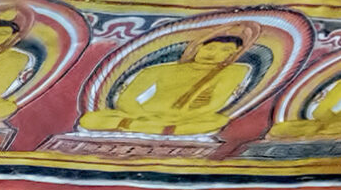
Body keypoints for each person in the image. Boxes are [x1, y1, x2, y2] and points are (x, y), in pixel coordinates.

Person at [79, 31, 255, 138]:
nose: (214, 54)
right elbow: (126, 100)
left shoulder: (234, 71)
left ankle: (153, 129)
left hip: (189, 118)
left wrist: (182, 116)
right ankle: (161, 130)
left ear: (233, 55)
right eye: (210, 48)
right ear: (198, 47)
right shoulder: (158, 70)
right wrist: (145, 116)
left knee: (218, 121)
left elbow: (215, 104)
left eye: (225, 51)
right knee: (91, 119)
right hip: (144, 116)